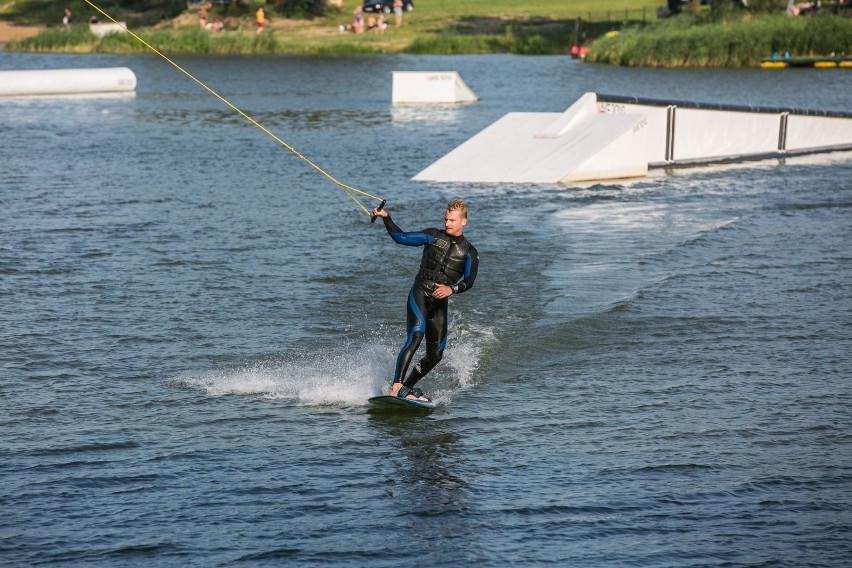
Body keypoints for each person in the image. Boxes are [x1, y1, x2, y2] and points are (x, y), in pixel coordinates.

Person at [372, 199, 479, 403]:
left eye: (452, 220)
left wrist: (451, 289)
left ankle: (408, 387)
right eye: (446, 219)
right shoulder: (432, 235)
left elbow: (470, 281)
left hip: (439, 304)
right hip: (420, 293)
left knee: (436, 355)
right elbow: (401, 237)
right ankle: (397, 386)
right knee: (416, 335)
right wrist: (387, 218)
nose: (447, 223)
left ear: (463, 221)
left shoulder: (470, 253)